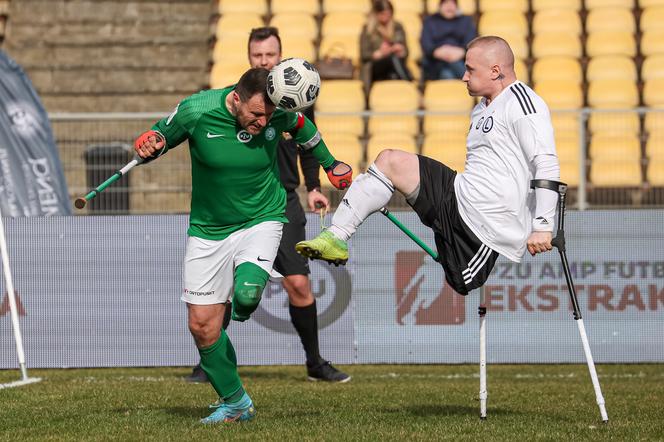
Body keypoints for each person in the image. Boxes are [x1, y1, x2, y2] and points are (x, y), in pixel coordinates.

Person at [133, 68, 352, 424]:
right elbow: (160, 135)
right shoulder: (196, 109)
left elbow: (303, 129)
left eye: (267, 115)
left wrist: (331, 164)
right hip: (207, 229)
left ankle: (275, 339)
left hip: (262, 217)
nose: (263, 121)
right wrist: (151, 141)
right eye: (255, 114)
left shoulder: (277, 111)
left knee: (248, 294)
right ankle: (235, 402)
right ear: (235, 99)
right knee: (202, 326)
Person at [296, 36, 559, 297]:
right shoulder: (482, 108)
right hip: (459, 195)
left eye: (470, 69)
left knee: (460, 280)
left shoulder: (523, 103)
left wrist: (543, 225)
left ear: (495, 70)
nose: (464, 77)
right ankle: (336, 236)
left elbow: (545, 162)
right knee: (389, 161)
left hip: (487, 226)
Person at [185, 27, 350, 385]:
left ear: (280, 56)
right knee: (225, 289)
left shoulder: (291, 99)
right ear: (250, 59)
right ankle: (208, 361)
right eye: (258, 56)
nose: (264, 60)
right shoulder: (239, 100)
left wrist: (314, 187)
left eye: (270, 55)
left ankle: (314, 362)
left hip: (283, 199)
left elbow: (309, 142)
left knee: (299, 285)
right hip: (232, 208)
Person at [360, 0, 412, 94]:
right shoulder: (368, 29)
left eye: (388, 14)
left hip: (394, 64)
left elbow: (406, 51)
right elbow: (364, 54)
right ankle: (410, 86)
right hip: (375, 66)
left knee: (394, 59)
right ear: (376, 14)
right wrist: (378, 53)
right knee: (392, 59)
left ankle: (402, 82)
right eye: (383, 14)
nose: (386, 17)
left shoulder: (398, 27)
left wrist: (401, 50)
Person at [420, 0, 477, 81]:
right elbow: (426, 43)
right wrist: (436, 52)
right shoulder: (430, 21)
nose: (449, 7)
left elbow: (472, 41)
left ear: (457, 7)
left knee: (447, 74)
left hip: (461, 58)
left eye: (452, 4)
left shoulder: (466, 21)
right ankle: (472, 80)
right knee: (446, 71)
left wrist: (462, 52)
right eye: (446, 3)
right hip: (436, 61)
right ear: (440, 6)